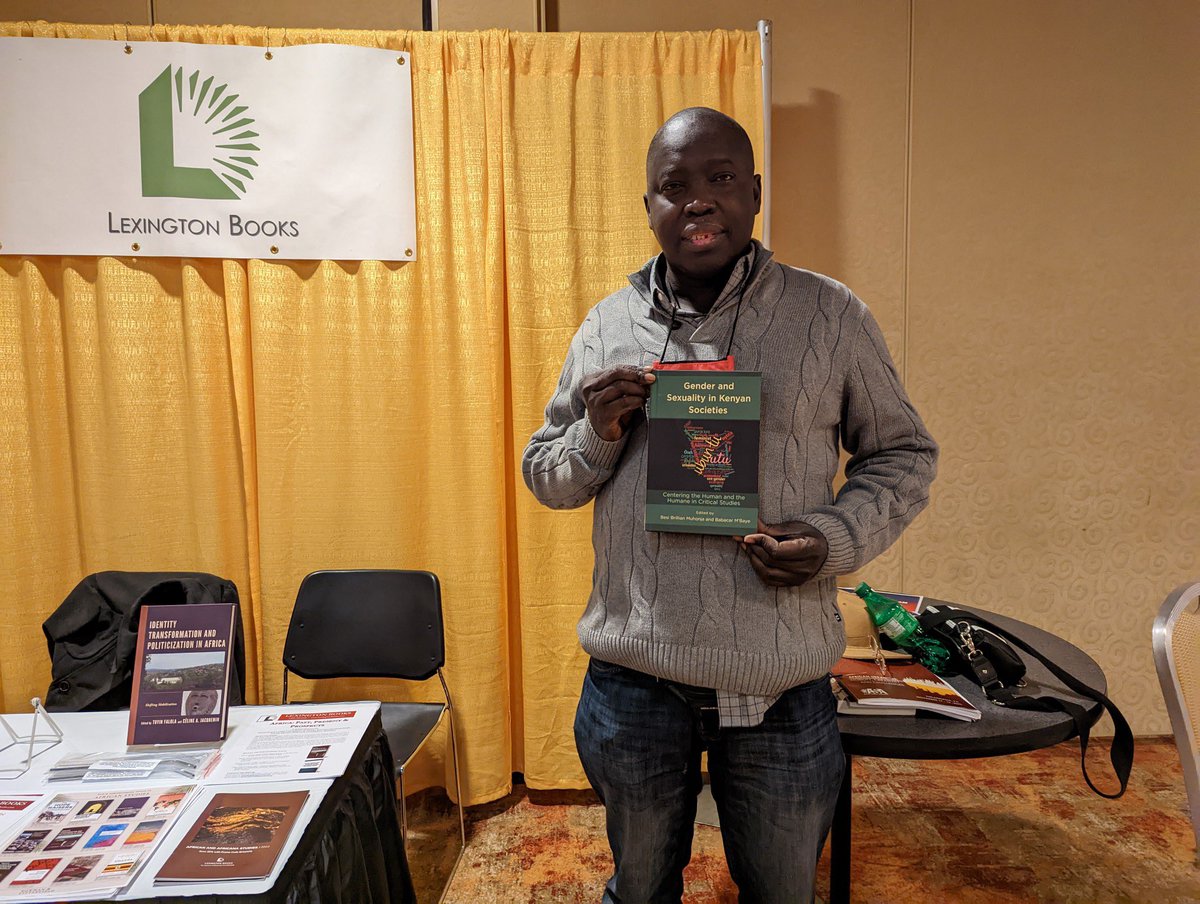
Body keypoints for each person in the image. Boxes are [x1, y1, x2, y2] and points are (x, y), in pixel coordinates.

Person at [522, 106, 938, 904]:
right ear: (649, 208)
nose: (698, 201)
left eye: (719, 180)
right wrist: (599, 433)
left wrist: (833, 538)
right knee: (639, 891)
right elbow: (548, 476)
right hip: (634, 677)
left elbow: (904, 454)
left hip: (781, 681)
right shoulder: (608, 325)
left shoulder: (830, 316)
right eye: (673, 187)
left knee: (782, 893)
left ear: (755, 191)